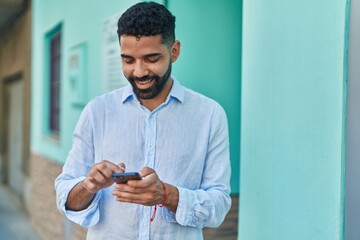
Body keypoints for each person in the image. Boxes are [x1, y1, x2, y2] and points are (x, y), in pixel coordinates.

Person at [55, 2, 231, 239]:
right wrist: (89, 186)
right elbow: (64, 196)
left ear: (174, 51)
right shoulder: (97, 111)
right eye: (128, 60)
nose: (139, 72)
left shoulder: (210, 115)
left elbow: (219, 205)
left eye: (151, 58)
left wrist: (167, 195)